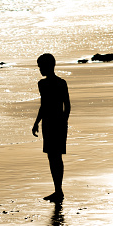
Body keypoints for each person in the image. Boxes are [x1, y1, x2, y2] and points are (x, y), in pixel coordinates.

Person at [32, 53, 71, 203]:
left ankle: (58, 190)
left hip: (57, 123)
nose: (40, 69)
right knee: (52, 157)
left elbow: (67, 106)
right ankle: (57, 190)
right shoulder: (42, 84)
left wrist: (63, 121)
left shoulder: (61, 83)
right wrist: (36, 122)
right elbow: (43, 106)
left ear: (49, 66)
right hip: (48, 123)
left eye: (41, 66)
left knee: (56, 157)